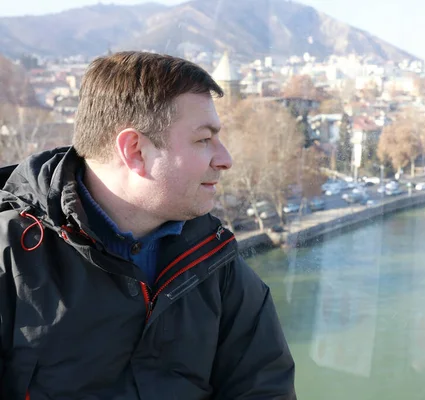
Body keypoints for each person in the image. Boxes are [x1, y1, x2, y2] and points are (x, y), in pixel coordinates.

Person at [0, 51, 296, 399]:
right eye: (204, 139)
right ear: (135, 150)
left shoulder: (216, 264)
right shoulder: (11, 260)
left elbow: (264, 389)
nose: (225, 159)